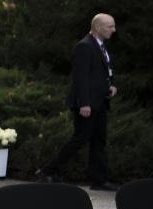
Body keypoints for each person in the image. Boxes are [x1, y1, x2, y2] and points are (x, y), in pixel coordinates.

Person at [43, 12, 118, 190]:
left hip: (100, 102)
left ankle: (99, 179)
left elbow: (99, 74)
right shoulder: (84, 47)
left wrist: (111, 86)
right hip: (88, 104)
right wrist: (84, 103)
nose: (114, 30)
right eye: (110, 26)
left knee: (99, 140)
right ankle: (48, 170)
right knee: (80, 139)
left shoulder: (101, 46)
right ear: (98, 27)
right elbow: (81, 78)